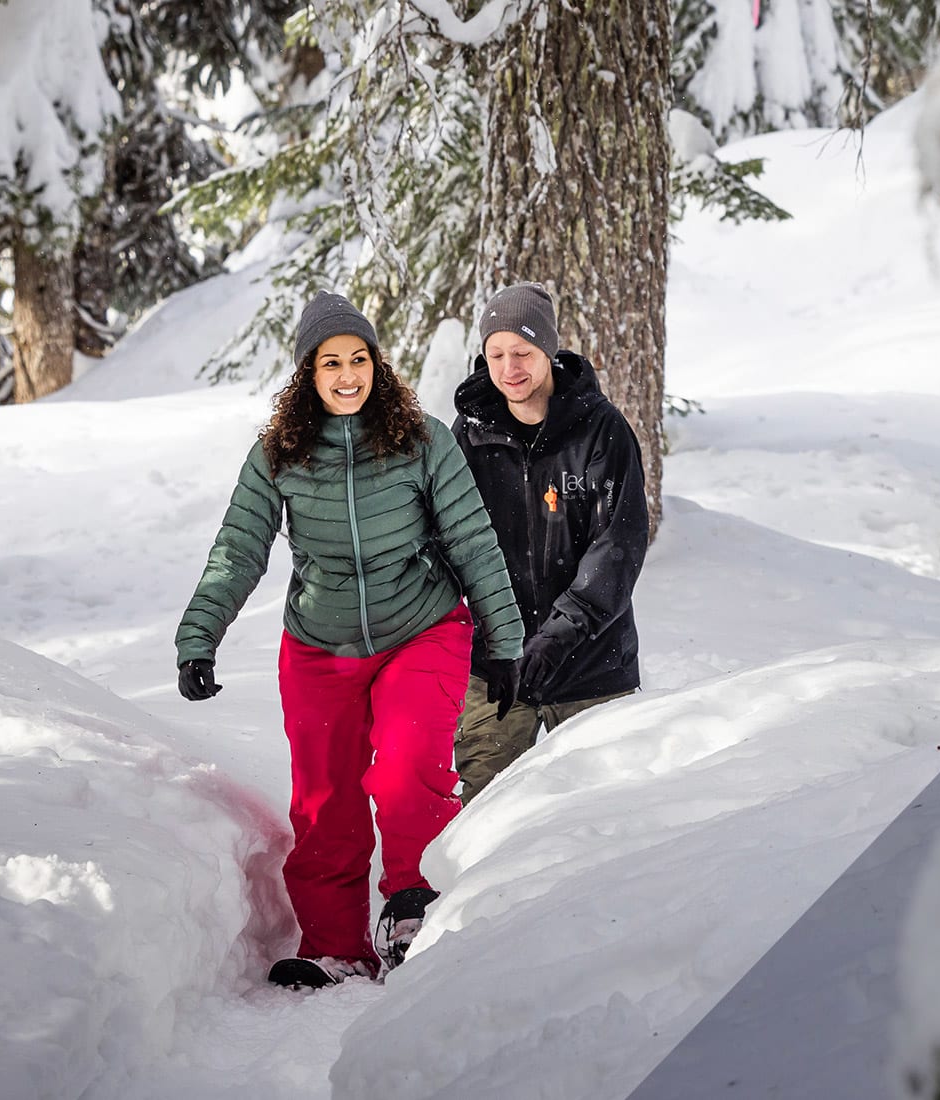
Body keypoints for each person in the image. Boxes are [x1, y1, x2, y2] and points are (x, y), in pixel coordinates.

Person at [175, 293, 524, 988]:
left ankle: (412, 910)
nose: (346, 374)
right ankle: (336, 944)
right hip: (319, 645)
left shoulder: (422, 438)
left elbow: (473, 541)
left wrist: (506, 641)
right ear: (307, 374)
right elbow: (238, 549)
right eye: (330, 362)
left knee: (403, 770)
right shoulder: (279, 454)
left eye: (358, 359)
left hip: (419, 628)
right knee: (324, 799)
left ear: (376, 364)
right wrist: (199, 635)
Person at [449, 282, 649, 803]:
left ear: (549, 352)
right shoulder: (469, 435)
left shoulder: (601, 430)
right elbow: (450, 540)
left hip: (591, 662)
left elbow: (618, 545)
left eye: (523, 352)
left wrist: (559, 635)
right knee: (484, 812)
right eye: (496, 353)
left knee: (601, 813)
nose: (509, 367)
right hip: (494, 667)